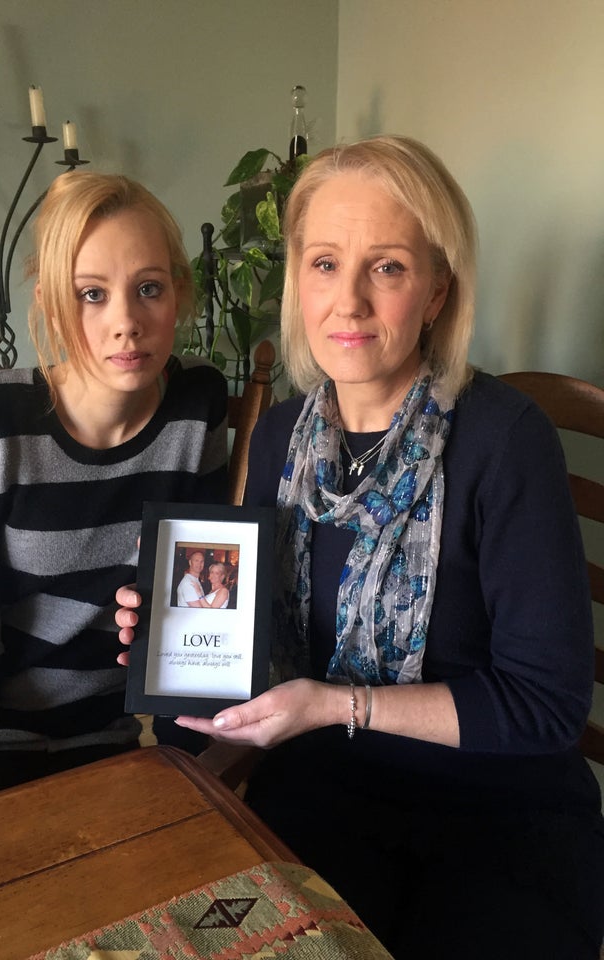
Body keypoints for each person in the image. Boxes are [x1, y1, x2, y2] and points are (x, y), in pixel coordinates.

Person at [117, 137, 604, 959]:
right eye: (324, 264)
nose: (348, 302)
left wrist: (338, 704)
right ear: (298, 280)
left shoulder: (505, 440)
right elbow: (262, 662)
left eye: (386, 268)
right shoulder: (281, 437)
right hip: (323, 794)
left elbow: (546, 706)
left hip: (497, 813)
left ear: (438, 290)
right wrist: (176, 641)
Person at [0, 171, 227, 824]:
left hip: (94, 741)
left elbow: (193, 626)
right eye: (92, 294)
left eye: (148, 288)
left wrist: (190, 792)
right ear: (51, 303)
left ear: (179, 293)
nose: (126, 322)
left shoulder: (197, 410)